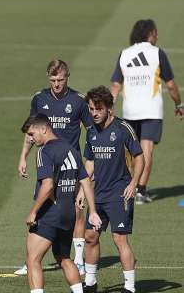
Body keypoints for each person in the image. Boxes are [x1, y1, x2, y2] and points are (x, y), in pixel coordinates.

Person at [16, 60, 93, 276]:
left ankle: (78, 260)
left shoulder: (78, 101)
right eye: (53, 80)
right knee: (41, 206)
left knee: (76, 209)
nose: (57, 84)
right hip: (49, 162)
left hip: (70, 163)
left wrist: (88, 159)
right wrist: (23, 156)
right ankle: (30, 260)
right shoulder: (39, 98)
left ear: (68, 77)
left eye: (60, 80)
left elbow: (91, 133)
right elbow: (30, 130)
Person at [21, 114, 101, 293]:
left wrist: (34, 211)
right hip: (68, 213)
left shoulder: (45, 152)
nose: (31, 139)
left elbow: (48, 185)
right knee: (64, 258)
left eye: (32, 134)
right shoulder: (71, 149)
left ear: (43, 129)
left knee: (32, 259)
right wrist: (93, 211)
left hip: (50, 212)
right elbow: (86, 181)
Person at [110, 19, 184, 204]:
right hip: (151, 109)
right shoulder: (157, 53)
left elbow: (115, 85)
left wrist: (109, 108)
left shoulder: (124, 54)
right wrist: (179, 105)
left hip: (130, 109)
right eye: (156, 32)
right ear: (149, 34)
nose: (157, 36)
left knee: (131, 151)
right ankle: (140, 191)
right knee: (146, 149)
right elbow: (171, 85)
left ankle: (129, 188)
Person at [83, 86, 144, 293]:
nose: (94, 113)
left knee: (119, 239)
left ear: (110, 108)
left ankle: (129, 287)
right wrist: (83, 190)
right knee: (90, 236)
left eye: (98, 109)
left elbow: (139, 156)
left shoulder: (123, 129)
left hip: (119, 194)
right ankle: (90, 282)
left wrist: (134, 183)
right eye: (91, 109)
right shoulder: (91, 131)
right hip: (97, 195)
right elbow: (89, 163)